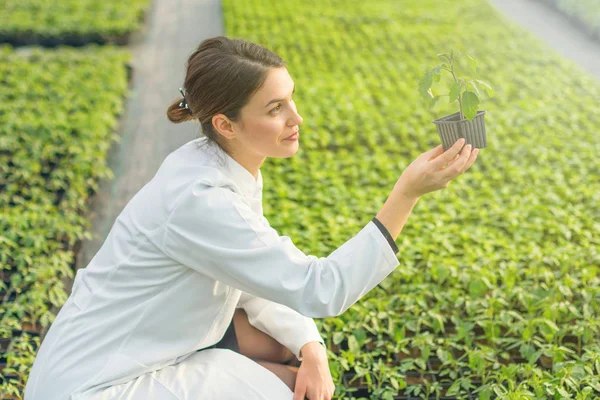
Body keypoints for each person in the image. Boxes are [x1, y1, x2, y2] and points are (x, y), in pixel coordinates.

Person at [23, 36, 478, 400]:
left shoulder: (215, 162)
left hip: (117, 350)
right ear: (225, 124)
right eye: (275, 109)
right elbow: (320, 288)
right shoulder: (200, 200)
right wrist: (407, 194)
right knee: (291, 392)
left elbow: (248, 277)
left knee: (292, 354)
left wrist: (310, 347)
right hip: (93, 386)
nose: (296, 118)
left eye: (291, 99)